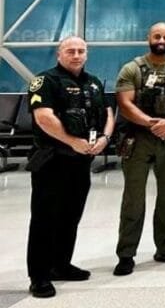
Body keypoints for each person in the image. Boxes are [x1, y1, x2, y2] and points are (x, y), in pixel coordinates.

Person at [25, 37, 114, 298]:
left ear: (87, 54)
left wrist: (105, 139)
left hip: (80, 161)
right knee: (45, 219)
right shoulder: (45, 81)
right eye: (71, 51)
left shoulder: (94, 82)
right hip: (52, 160)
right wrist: (73, 142)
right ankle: (39, 276)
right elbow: (44, 118)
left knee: (70, 216)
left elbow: (107, 114)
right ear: (59, 53)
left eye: (81, 51)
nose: (76, 55)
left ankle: (61, 265)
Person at [114, 23, 165, 276]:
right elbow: (125, 104)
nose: (161, 40)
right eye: (157, 36)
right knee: (133, 199)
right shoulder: (132, 69)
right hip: (139, 139)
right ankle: (126, 254)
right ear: (148, 38)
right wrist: (151, 123)